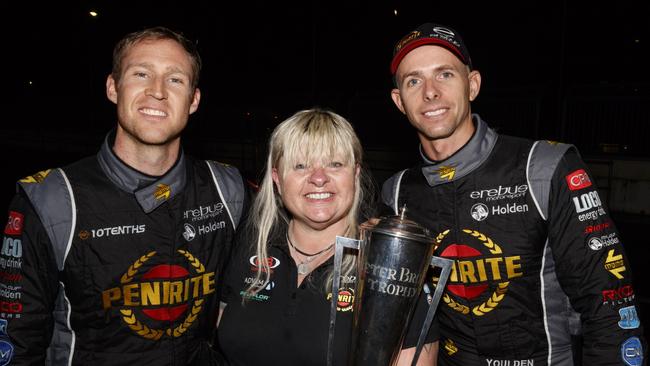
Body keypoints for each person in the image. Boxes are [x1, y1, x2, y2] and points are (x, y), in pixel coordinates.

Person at [382, 22, 646, 365]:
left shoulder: (546, 167)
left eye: (445, 75)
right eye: (414, 80)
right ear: (399, 101)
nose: (430, 92)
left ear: (472, 84)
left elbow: (610, 302)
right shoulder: (397, 193)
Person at [0, 26, 249, 365]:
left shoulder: (228, 189)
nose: (157, 91)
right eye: (141, 74)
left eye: (175, 79)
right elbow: (16, 344)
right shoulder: (51, 200)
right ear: (113, 87)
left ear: (194, 100)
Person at [216, 108, 439, 365]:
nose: (319, 178)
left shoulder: (389, 263)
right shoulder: (250, 244)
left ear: (355, 174)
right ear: (277, 178)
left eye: (335, 164)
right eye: (300, 165)